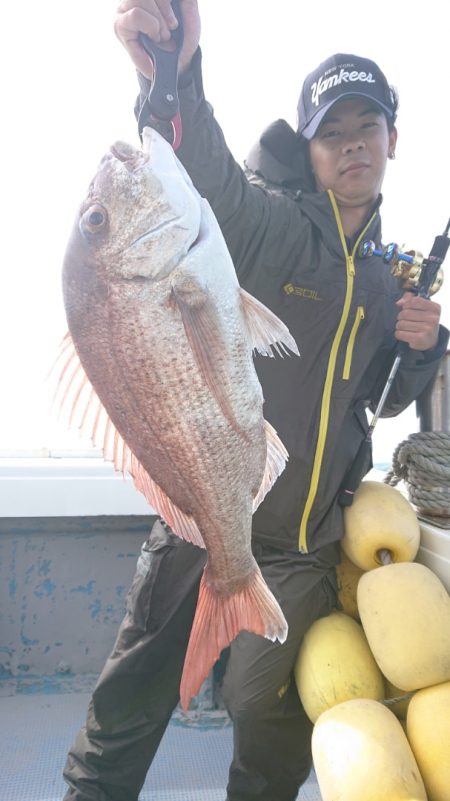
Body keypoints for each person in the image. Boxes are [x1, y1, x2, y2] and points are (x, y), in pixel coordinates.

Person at [62, 2, 449, 800]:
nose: (350, 146)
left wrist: (422, 347)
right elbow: (207, 174)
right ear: (308, 150)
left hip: (300, 545)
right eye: (330, 132)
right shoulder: (270, 230)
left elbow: (377, 400)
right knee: (128, 702)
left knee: (269, 732)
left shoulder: (387, 279)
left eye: (365, 128)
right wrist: (172, 72)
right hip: (199, 514)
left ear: (391, 142)